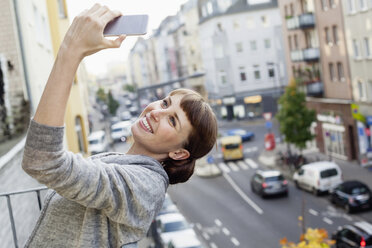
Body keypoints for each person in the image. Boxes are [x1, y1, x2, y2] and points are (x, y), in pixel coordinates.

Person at [21, 4, 217, 248]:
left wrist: (71, 50)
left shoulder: (145, 186)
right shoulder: (124, 163)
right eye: (165, 102)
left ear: (179, 153)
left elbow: (43, 161)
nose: (156, 111)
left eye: (172, 119)